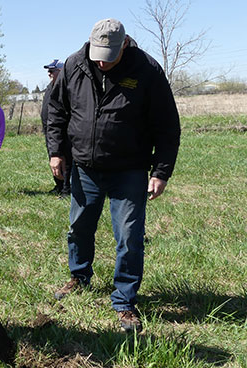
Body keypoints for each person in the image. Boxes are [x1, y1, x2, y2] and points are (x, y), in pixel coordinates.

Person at [47, 19, 181, 333]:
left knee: (130, 237)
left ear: (124, 45)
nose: (102, 60)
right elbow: (56, 110)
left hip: (130, 170)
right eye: (98, 53)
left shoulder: (147, 70)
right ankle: (79, 277)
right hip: (85, 167)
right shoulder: (74, 65)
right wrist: (56, 150)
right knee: (79, 227)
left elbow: (167, 126)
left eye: (109, 53)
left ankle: (124, 300)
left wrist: (161, 172)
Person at [41, 59, 71, 196]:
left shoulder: (67, 87)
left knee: (64, 159)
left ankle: (66, 188)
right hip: (49, 132)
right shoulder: (49, 88)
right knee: (53, 158)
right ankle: (58, 185)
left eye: (52, 71)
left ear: (61, 71)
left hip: (63, 132)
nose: (49, 74)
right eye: (48, 71)